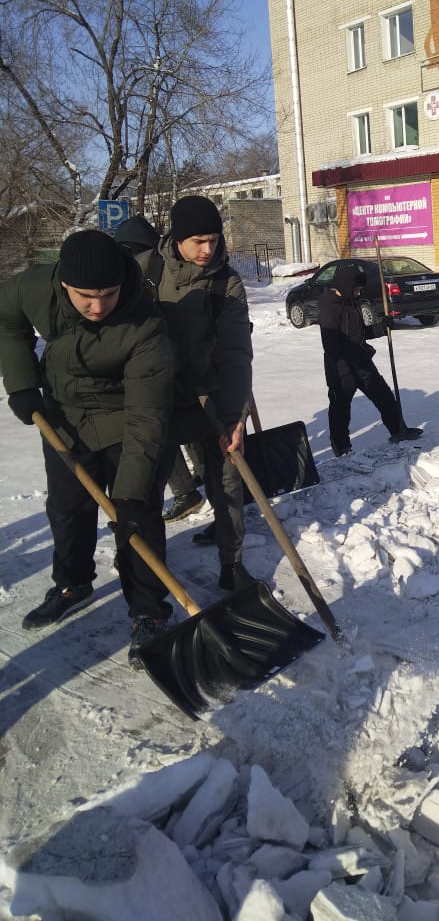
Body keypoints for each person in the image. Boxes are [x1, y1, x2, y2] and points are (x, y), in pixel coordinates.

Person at [0, 229, 176, 664]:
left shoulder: (145, 325)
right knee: (66, 508)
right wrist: (22, 383)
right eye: (85, 297)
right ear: (63, 285)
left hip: (124, 417)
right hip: (64, 414)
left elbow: (146, 417)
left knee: (137, 519)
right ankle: (72, 583)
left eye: (109, 295)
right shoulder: (35, 287)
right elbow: (6, 317)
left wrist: (132, 493)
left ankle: (149, 612)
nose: (98, 307)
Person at [139, 196, 254, 591]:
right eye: (198, 242)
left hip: (210, 392)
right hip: (156, 399)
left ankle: (232, 565)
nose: (208, 250)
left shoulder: (226, 282)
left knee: (227, 477)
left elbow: (236, 352)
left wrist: (236, 417)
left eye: (214, 240)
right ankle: (149, 580)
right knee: (146, 487)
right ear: (177, 238)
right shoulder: (146, 273)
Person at [113, 215, 206, 522]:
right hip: (186, 363)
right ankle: (204, 476)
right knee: (193, 423)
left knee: (160, 432)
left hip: (157, 366)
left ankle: (185, 492)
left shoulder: (133, 274)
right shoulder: (169, 266)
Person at [319, 261, 422, 456]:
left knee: (384, 397)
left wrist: (381, 327)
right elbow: (331, 345)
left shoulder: (351, 304)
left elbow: (359, 334)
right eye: (356, 288)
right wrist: (344, 371)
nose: (359, 292)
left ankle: (399, 430)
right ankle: (342, 447)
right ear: (345, 286)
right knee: (340, 410)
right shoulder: (329, 309)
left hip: (362, 362)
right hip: (341, 369)